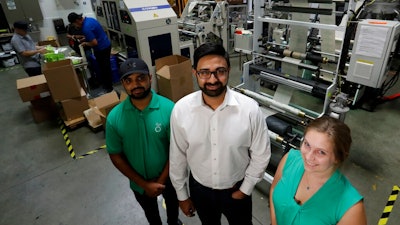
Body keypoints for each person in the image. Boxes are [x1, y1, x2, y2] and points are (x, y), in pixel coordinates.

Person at [169, 42, 271, 225]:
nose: (213, 79)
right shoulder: (181, 110)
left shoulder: (249, 110)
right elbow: (178, 157)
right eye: (204, 72)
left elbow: (261, 154)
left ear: (229, 70)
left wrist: (245, 189)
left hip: (237, 189)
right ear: (195, 73)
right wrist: (182, 195)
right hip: (200, 191)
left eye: (220, 71)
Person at [106, 58, 182, 225]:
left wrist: (161, 181)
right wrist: (144, 184)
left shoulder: (169, 109)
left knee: (172, 206)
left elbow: (177, 150)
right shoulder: (114, 117)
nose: (135, 85)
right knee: (151, 213)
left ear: (150, 78)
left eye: (140, 78)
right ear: (123, 84)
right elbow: (115, 155)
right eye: (129, 80)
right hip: (139, 183)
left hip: (169, 177)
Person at [269, 116, 367, 225]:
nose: (309, 157)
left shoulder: (351, 208)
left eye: (321, 152)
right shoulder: (290, 159)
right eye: (307, 144)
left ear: (338, 158)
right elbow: (274, 189)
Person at [67, 12, 113, 93]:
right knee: (104, 67)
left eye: (74, 24)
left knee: (104, 68)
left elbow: (94, 42)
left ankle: (109, 88)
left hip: (102, 48)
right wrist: (85, 39)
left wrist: (85, 43)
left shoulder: (86, 27)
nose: (76, 27)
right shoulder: (90, 19)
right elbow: (94, 35)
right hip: (106, 44)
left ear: (77, 21)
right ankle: (106, 85)